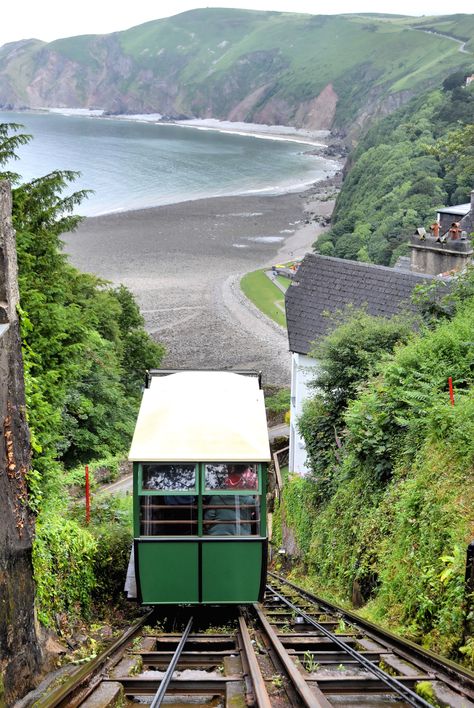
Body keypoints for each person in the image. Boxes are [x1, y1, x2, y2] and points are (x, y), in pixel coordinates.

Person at [204, 465, 257, 536]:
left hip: (217, 536)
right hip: (241, 537)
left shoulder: (216, 498)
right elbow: (258, 508)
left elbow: (208, 520)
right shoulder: (248, 499)